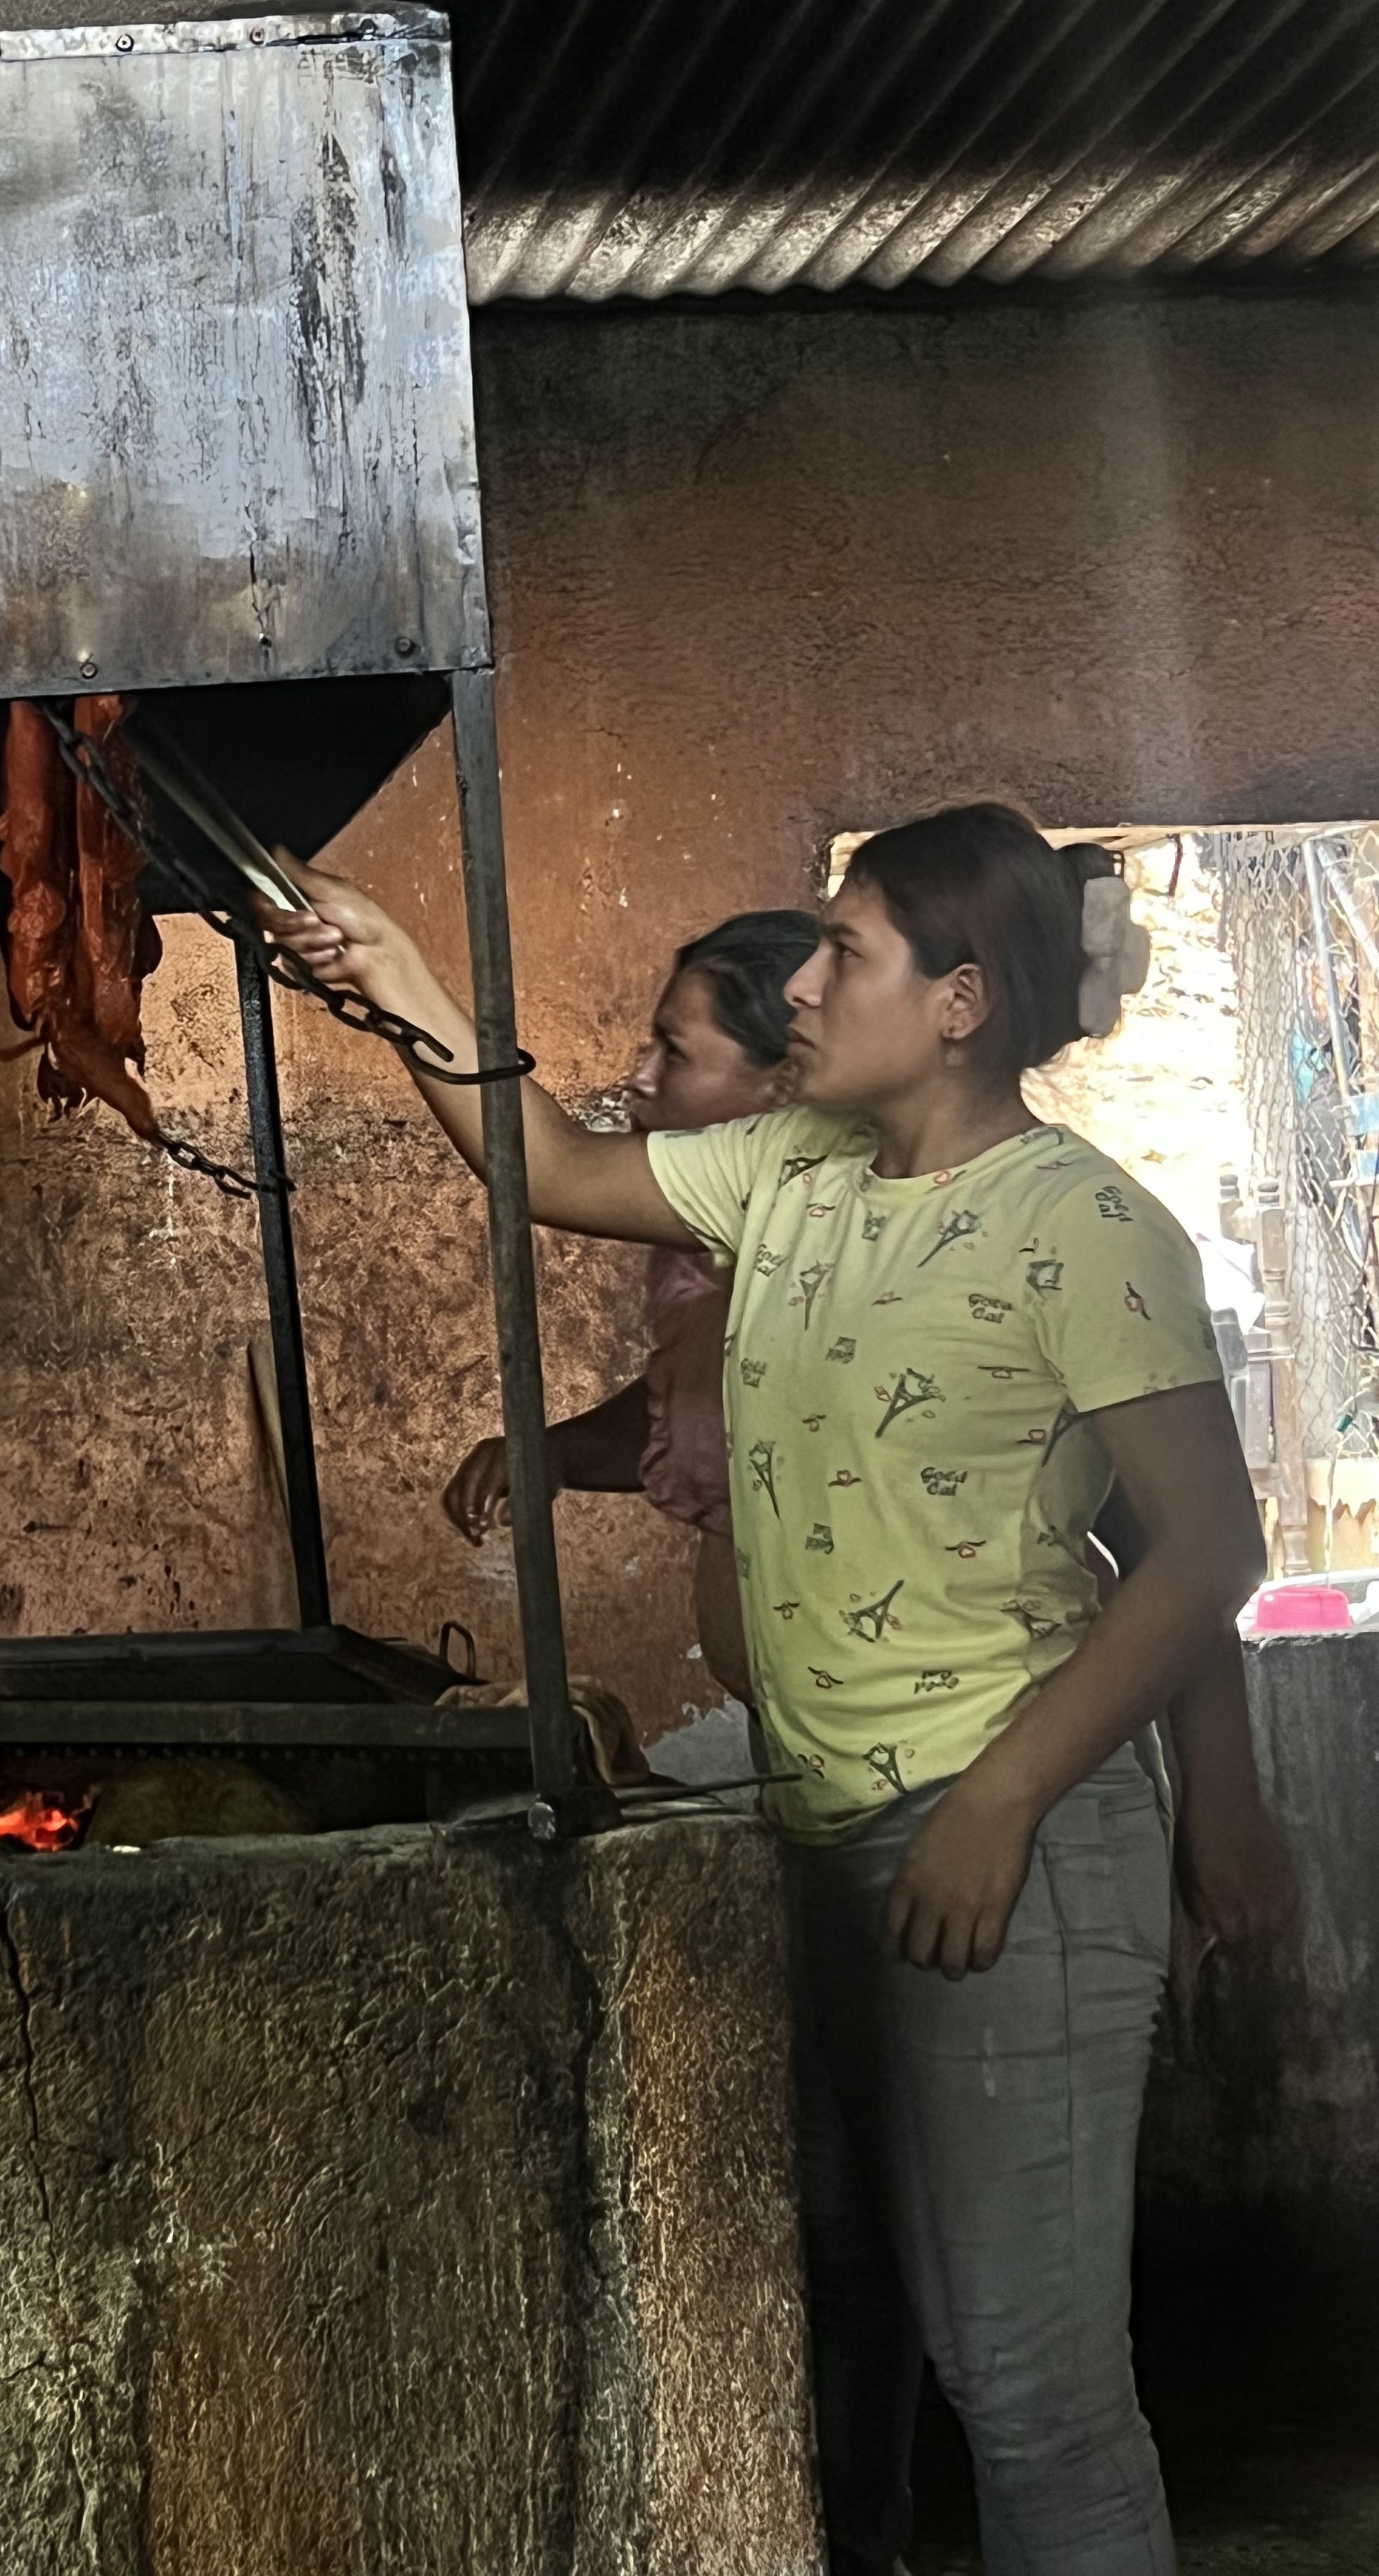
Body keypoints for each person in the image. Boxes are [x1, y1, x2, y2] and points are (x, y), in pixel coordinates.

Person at [267, 802, 1294, 2576]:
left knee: (1029, 2383)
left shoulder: (1087, 1228)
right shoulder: (793, 1172)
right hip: (838, 1828)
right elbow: (549, 1168)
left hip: (1011, 1841)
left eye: (848, 951)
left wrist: (1000, 1802)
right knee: (893, 2313)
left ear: (963, 999)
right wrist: (400, 974)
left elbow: (1207, 1557)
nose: (805, 980)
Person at [441, 908, 820, 1710]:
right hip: (832, 1752)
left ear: (783, 1086)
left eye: (675, 1053)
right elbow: (706, 1398)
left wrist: (380, 966)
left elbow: (550, 1170)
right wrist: (561, 1452)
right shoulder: (729, 1246)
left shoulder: (823, 1212)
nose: (640, 1078)